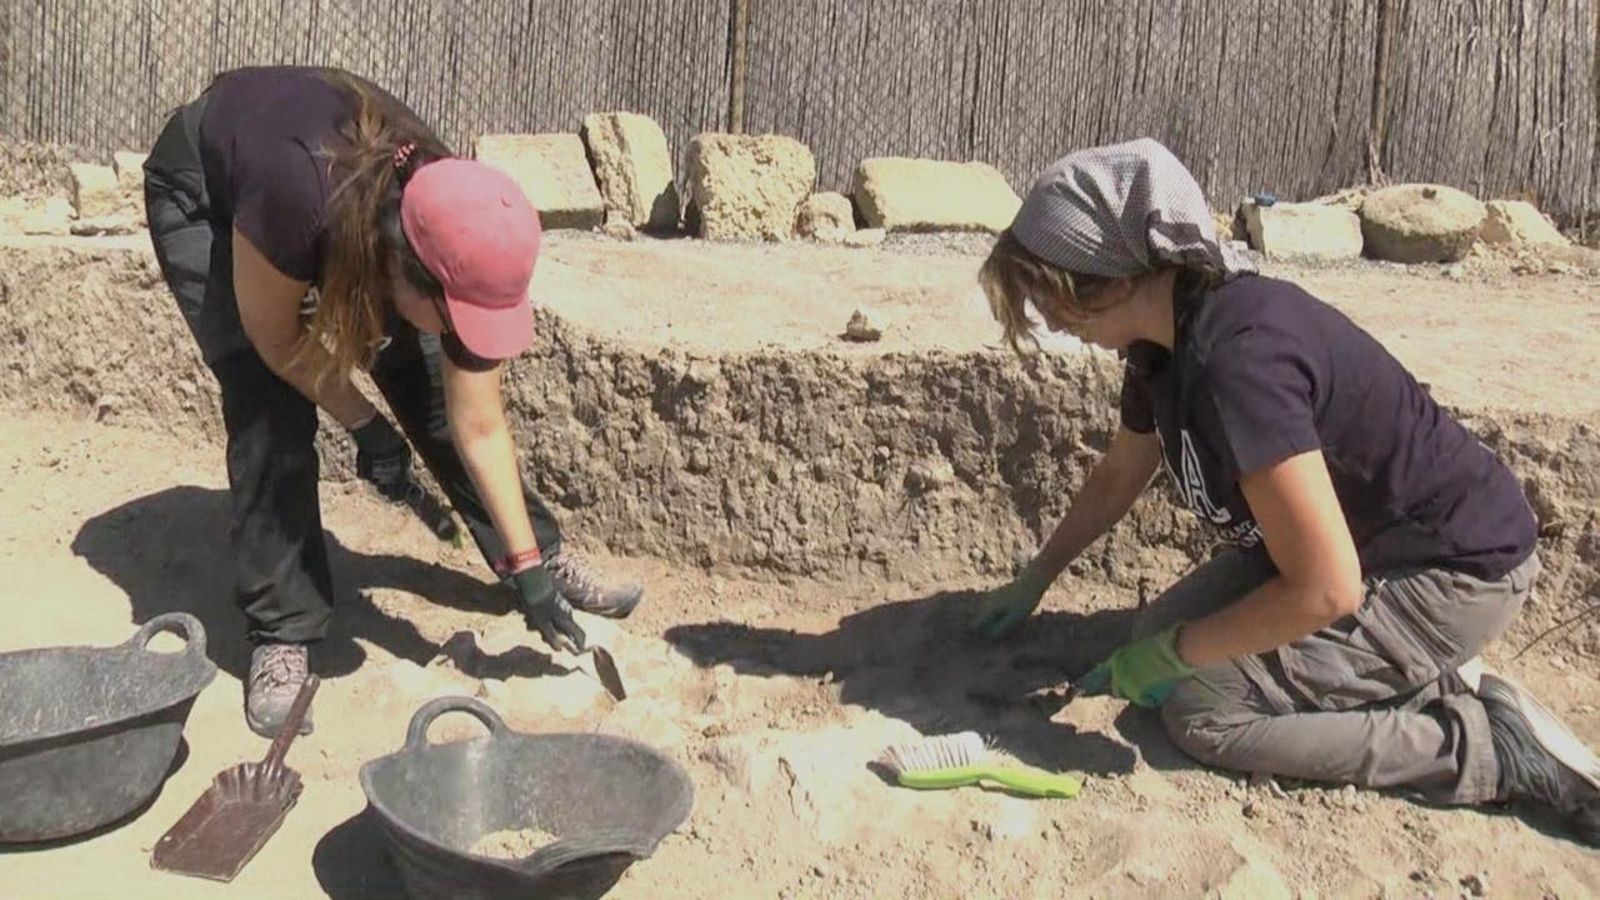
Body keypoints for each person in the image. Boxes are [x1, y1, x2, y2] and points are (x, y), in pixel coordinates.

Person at [972, 138, 1598, 843]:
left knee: (1203, 710)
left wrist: (1181, 655)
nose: (1049, 320)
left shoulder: (1237, 362)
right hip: (1358, 551)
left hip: (1451, 572)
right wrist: (1037, 577)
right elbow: (1123, 469)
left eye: (1050, 296)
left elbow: (1326, 589)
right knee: (1154, 639)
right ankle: (1418, 676)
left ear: (1112, 276)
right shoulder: (1158, 343)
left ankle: (1483, 750)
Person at [141, 66, 642, 738]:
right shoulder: (299, 197)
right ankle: (282, 630)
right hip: (210, 192)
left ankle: (543, 556)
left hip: (340, 215)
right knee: (270, 409)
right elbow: (277, 339)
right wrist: (366, 425)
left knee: (429, 377)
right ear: (404, 266)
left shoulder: (455, 216)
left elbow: (478, 421)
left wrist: (526, 564)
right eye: (452, 310)